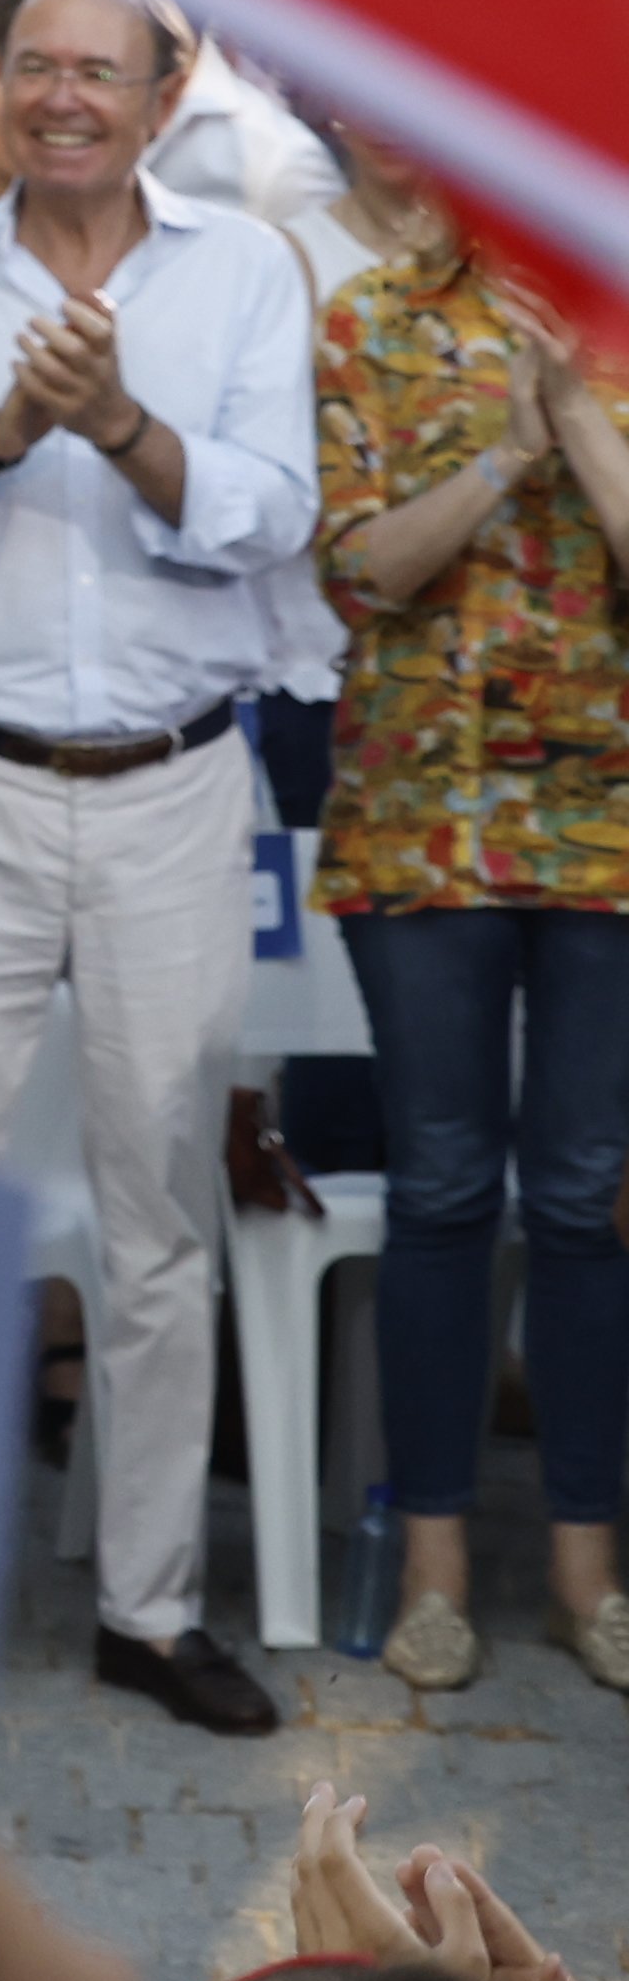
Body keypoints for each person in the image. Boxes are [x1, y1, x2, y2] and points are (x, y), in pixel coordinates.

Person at [0, 0, 320, 1737]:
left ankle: (151, 1605)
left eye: (103, 68)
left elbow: (266, 509)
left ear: (165, 91)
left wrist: (119, 422)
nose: (67, 95)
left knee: (161, 1209)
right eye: (36, 65)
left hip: (175, 784)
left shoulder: (245, 269)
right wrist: (3, 433)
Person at [309, 147, 629, 1696]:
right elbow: (358, 574)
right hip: (421, 814)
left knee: (581, 1195)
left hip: (613, 830)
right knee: (442, 1187)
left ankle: (586, 1566)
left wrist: (575, 413)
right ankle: (432, 1558)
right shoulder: (368, 318)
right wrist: (506, 460)